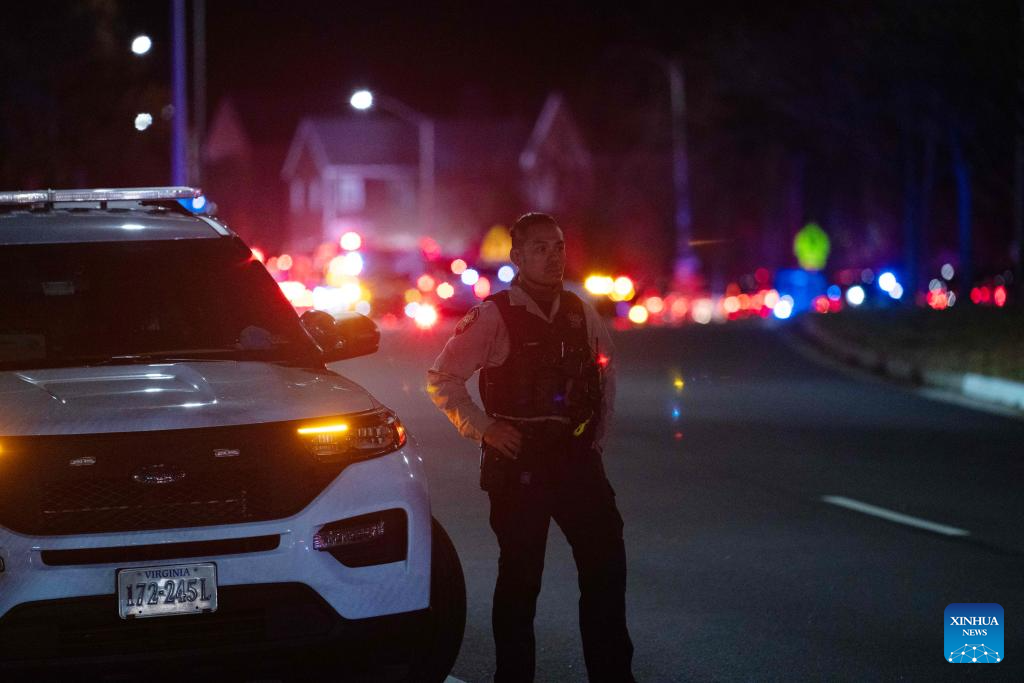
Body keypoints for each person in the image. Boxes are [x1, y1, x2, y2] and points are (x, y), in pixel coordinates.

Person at [426, 212, 635, 682]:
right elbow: (442, 378)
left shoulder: (580, 311)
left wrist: (595, 441)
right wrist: (485, 428)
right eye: (540, 248)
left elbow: (605, 373)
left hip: (576, 461)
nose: (553, 256)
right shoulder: (493, 315)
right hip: (520, 463)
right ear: (517, 257)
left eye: (558, 246)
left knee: (606, 567)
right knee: (521, 582)